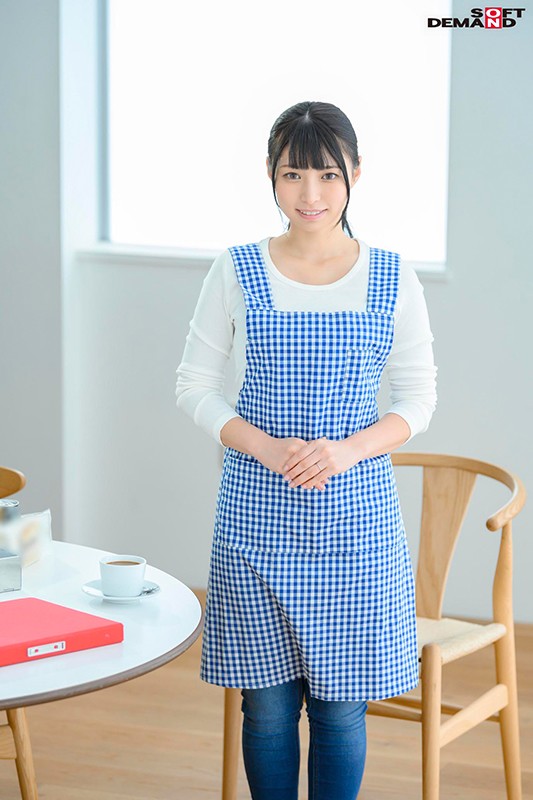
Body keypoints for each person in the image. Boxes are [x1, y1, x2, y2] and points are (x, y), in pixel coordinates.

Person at [176, 100, 437, 800]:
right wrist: (264, 447)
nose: (310, 193)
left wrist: (347, 451)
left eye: (327, 174)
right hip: (256, 517)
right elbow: (194, 386)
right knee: (265, 708)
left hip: (354, 524)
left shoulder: (390, 275)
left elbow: (418, 400)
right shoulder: (236, 268)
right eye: (293, 174)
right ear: (270, 174)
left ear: (355, 173)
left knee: (340, 708)